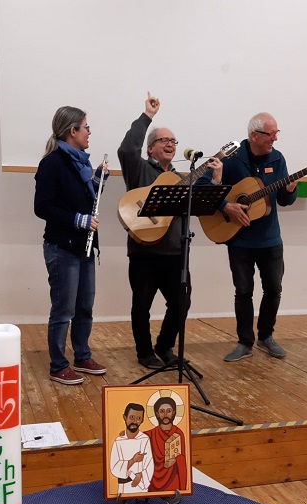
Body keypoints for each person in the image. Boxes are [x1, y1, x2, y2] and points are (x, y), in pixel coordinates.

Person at [118, 93, 222, 369]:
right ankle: (144, 353)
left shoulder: (180, 178)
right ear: (150, 148)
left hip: (176, 253)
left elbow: (201, 208)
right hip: (144, 252)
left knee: (181, 303)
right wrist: (147, 117)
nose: (170, 144)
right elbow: (127, 150)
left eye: (173, 141)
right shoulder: (139, 170)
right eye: (164, 140)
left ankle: (164, 346)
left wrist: (215, 180)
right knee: (142, 305)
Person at [34, 106, 109, 384]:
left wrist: (97, 181)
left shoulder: (81, 163)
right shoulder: (52, 163)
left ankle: (82, 356)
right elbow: (42, 207)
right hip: (61, 247)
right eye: (86, 127)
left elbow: (82, 200)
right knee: (63, 309)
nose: (89, 132)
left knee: (84, 306)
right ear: (72, 131)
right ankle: (58, 365)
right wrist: (78, 219)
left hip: (83, 246)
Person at [216, 113, 297, 362]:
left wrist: (290, 190)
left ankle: (266, 336)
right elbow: (206, 187)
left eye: (276, 133)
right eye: (270, 134)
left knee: (273, 289)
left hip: (270, 239)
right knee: (243, 291)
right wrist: (226, 206)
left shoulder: (277, 158)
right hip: (239, 240)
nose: (275, 138)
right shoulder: (231, 158)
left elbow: (283, 200)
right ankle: (244, 342)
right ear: (254, 135)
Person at [110, 403, 154, 494]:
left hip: (141, 486)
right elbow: (114, 466)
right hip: (123, 487)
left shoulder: (144, 439)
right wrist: (133, 461)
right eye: (131, 417)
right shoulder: (119, 441)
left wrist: (141, 476)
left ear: (142, 420)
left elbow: (149, 464)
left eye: (138, 418)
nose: (134, 421)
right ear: (125, 417)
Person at [145, 396, 187, 492]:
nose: (165, 415)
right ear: (157, 414)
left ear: (174, 413)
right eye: (162, 411)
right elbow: (137, 437)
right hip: (153, 477)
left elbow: (182, 458)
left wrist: (175, 460)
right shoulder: (150, 434)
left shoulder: (178, 433)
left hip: (172, 477)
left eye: (168, 411)